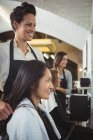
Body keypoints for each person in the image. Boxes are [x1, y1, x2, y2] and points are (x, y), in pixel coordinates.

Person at [0, 2, 44, 120]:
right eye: (29, 24)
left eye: (34, 25)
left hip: (34, 114)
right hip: (8, 115)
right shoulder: (1, 50)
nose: (33, 29)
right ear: (15, 24)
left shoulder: (38, 55)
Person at [3, 60, 61, 140]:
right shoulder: (25, 116)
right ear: (33, 83)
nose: (52, 86)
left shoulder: (38, 108)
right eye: (48, 80)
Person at [42, 69, 93, 140]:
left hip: (65, 127)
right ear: (53, 79)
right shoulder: (49, 97)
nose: (60, 80)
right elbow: (57, 121)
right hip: (64, 132)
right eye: (59, 78)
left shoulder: (52, 94)